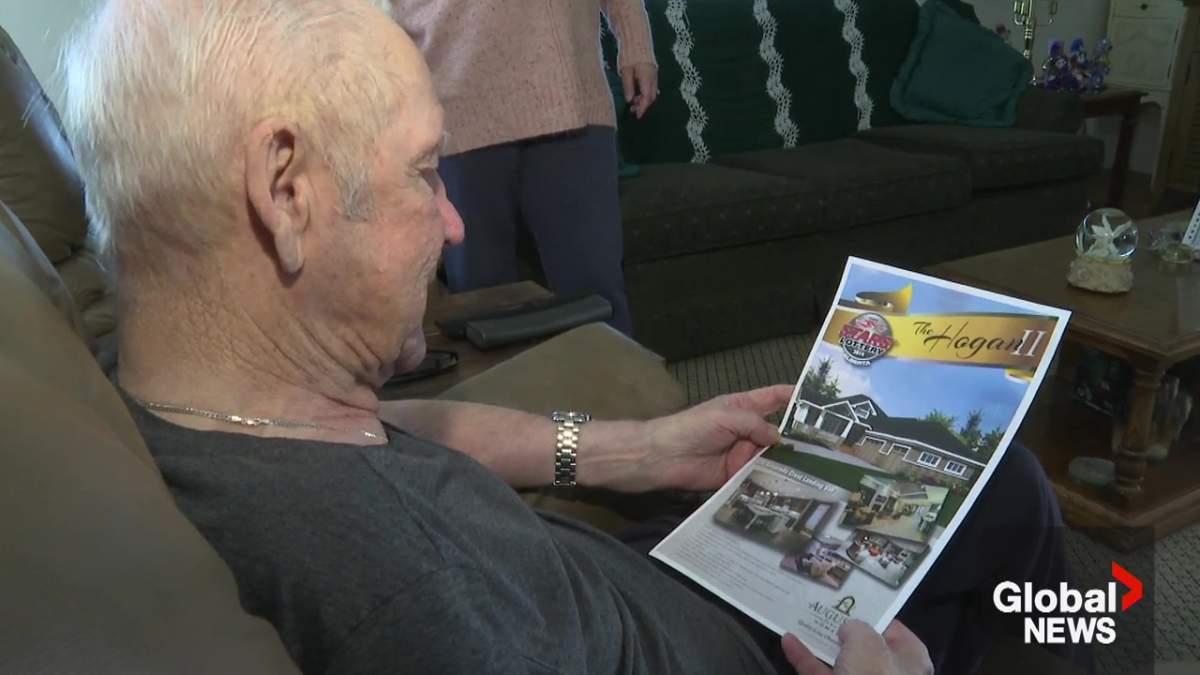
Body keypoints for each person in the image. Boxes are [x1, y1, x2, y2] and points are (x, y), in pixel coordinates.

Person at [61, 1, 1088, 673]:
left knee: (971, 481)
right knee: (1012, 505)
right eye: (427, 173)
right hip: (743, 645)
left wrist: (626, 448)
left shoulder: (158, 390)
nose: (456, 223)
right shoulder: (422, 607)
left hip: (630, 584)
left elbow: (376, 429)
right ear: (285, 192)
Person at [383, 0, 658, 335]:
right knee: (481, 306)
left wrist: (636, 42)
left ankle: (615, 389)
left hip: (572, 93)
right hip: (456, 103)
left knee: (595, 298)